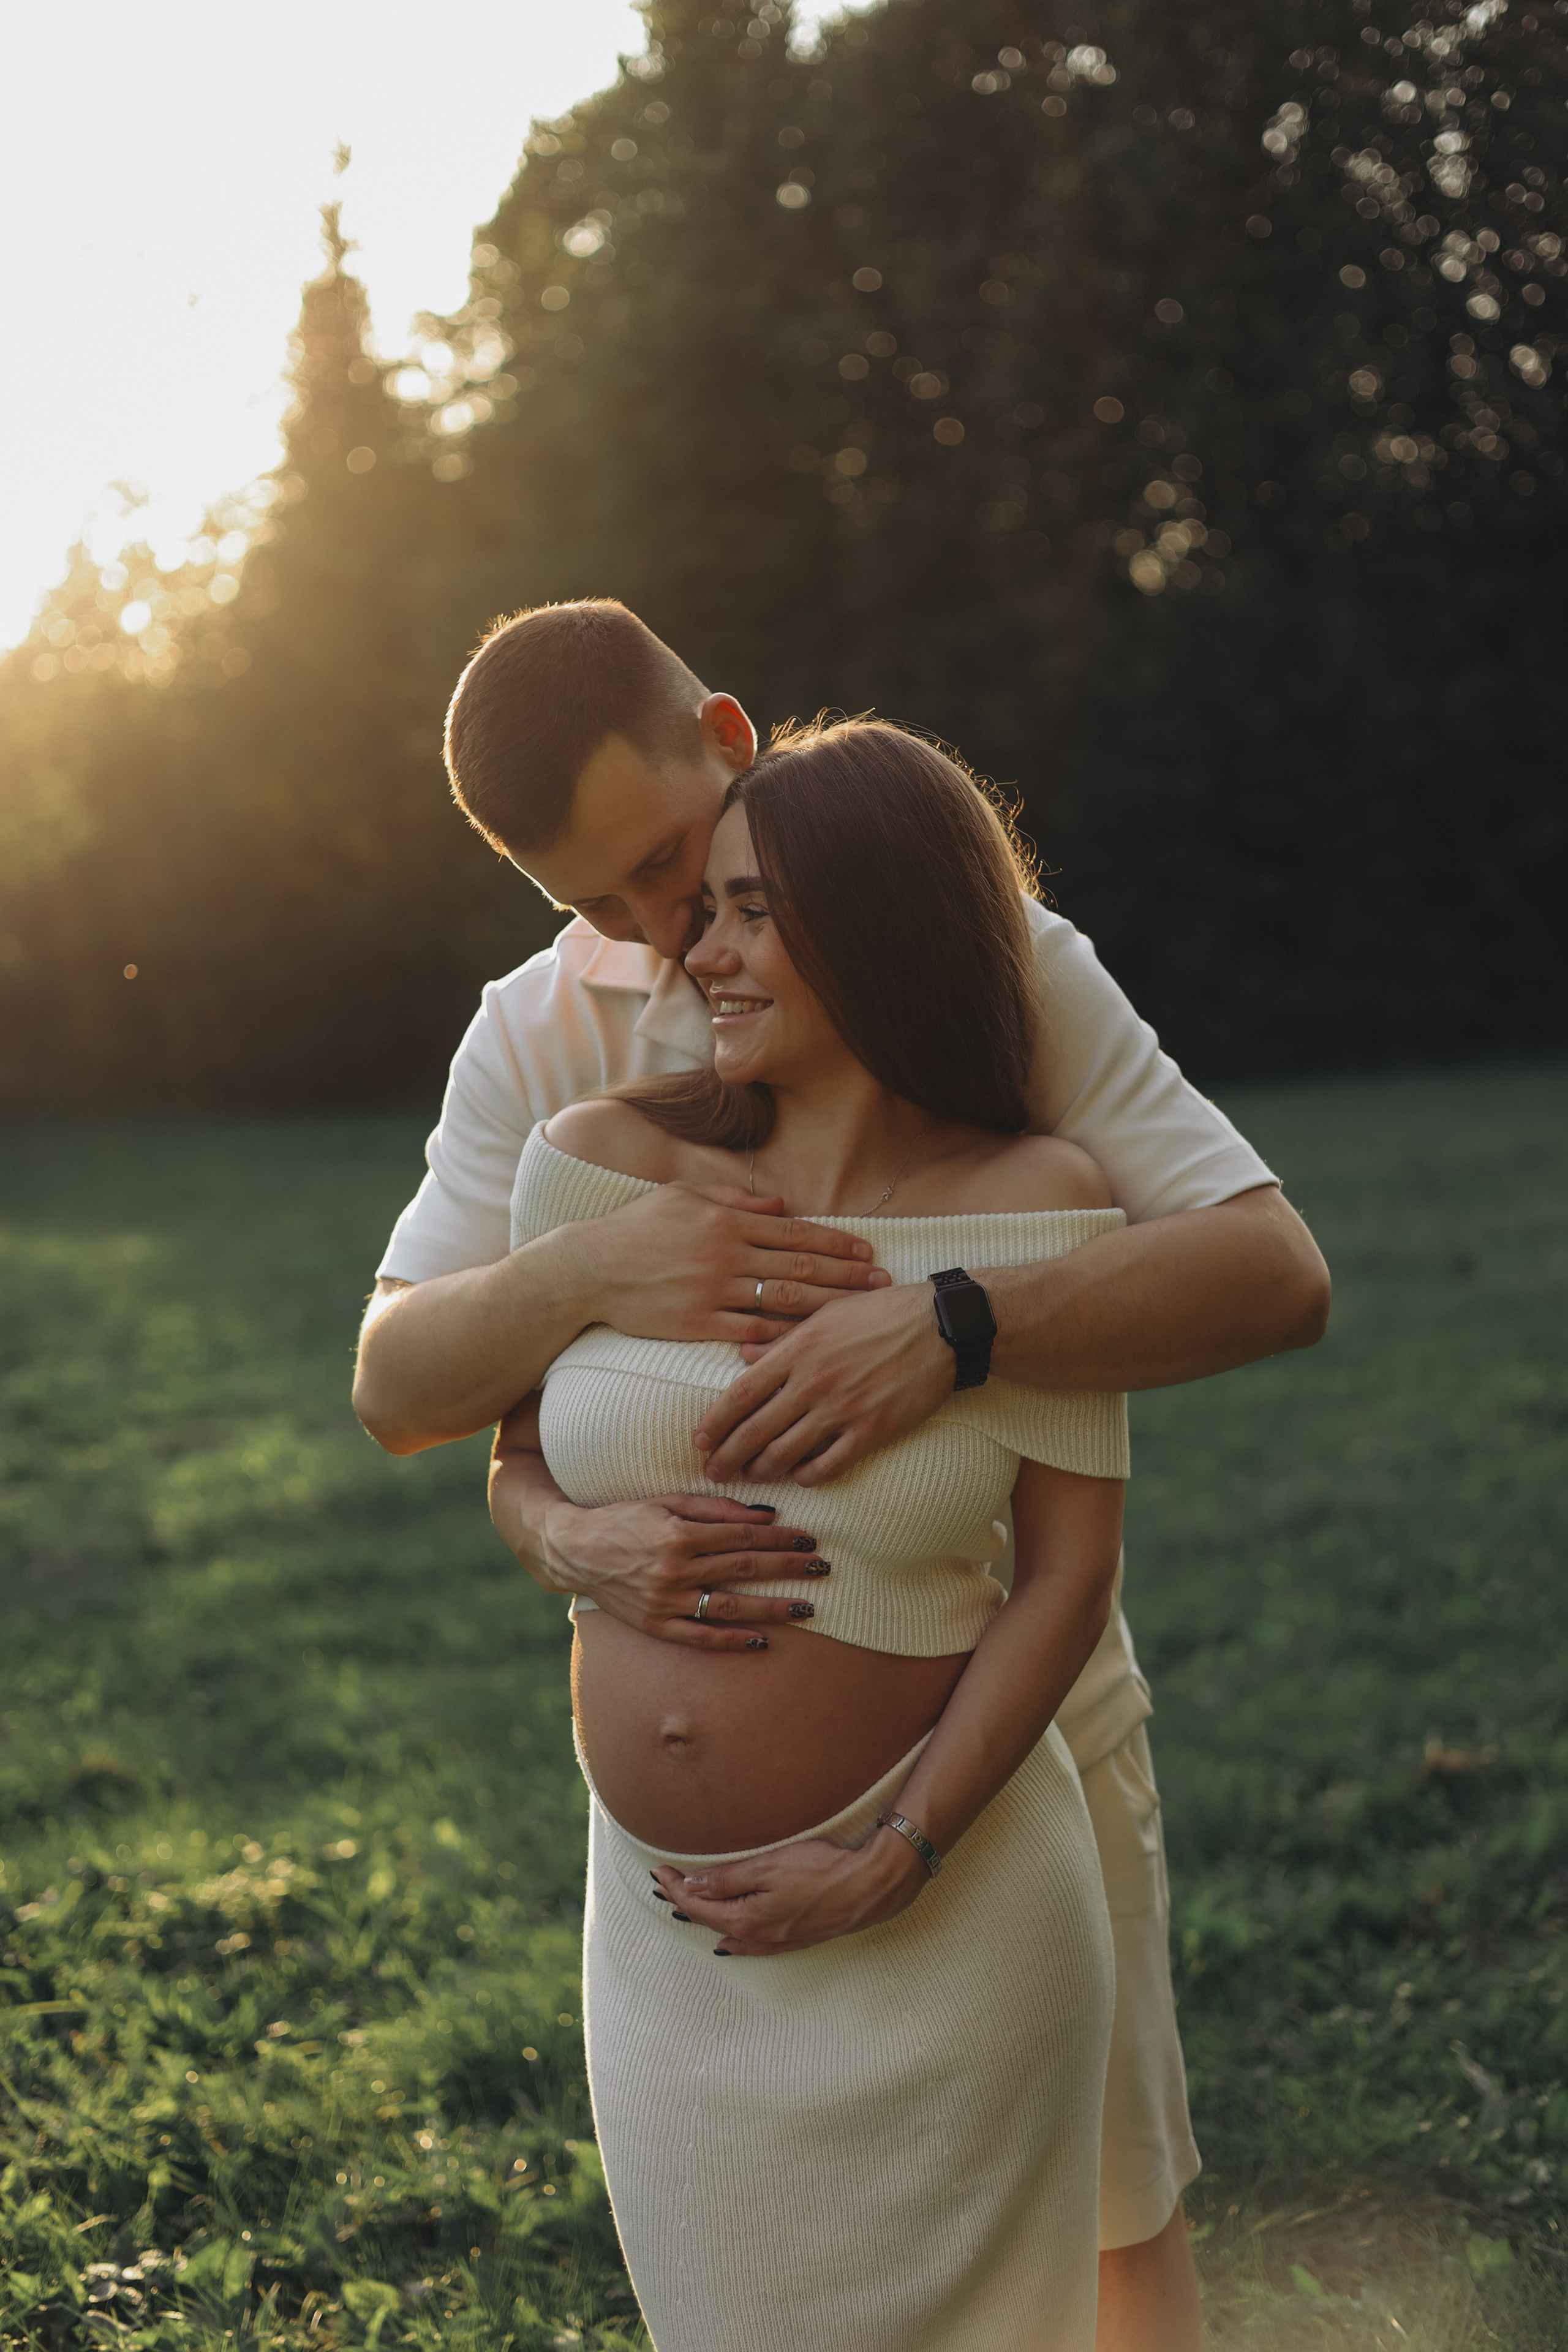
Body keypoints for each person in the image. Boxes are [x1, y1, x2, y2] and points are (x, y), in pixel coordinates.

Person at [353, 601, 1331, 2352]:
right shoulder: (538, 1050)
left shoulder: (975, 947)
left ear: (727, 736)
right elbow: (401, 1386)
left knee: (1112, 2225)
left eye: (676, 866)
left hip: (1011, 1735)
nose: (666, 939)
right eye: (600, 904)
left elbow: (1272, 1273)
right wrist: (586, 1291)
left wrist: (957, 1318)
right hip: (680, 1902)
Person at [496, 721, 1132, 2349]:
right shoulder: (596, 1166)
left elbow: (1066, 1576)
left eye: (749, 910)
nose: (697, 952)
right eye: (703, 910)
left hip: (955, 1912)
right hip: (670, 1939)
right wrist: (574, 1546)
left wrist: (893, 1853)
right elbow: (511, 1465)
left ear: (883, 922)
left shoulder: (1045, 1202)